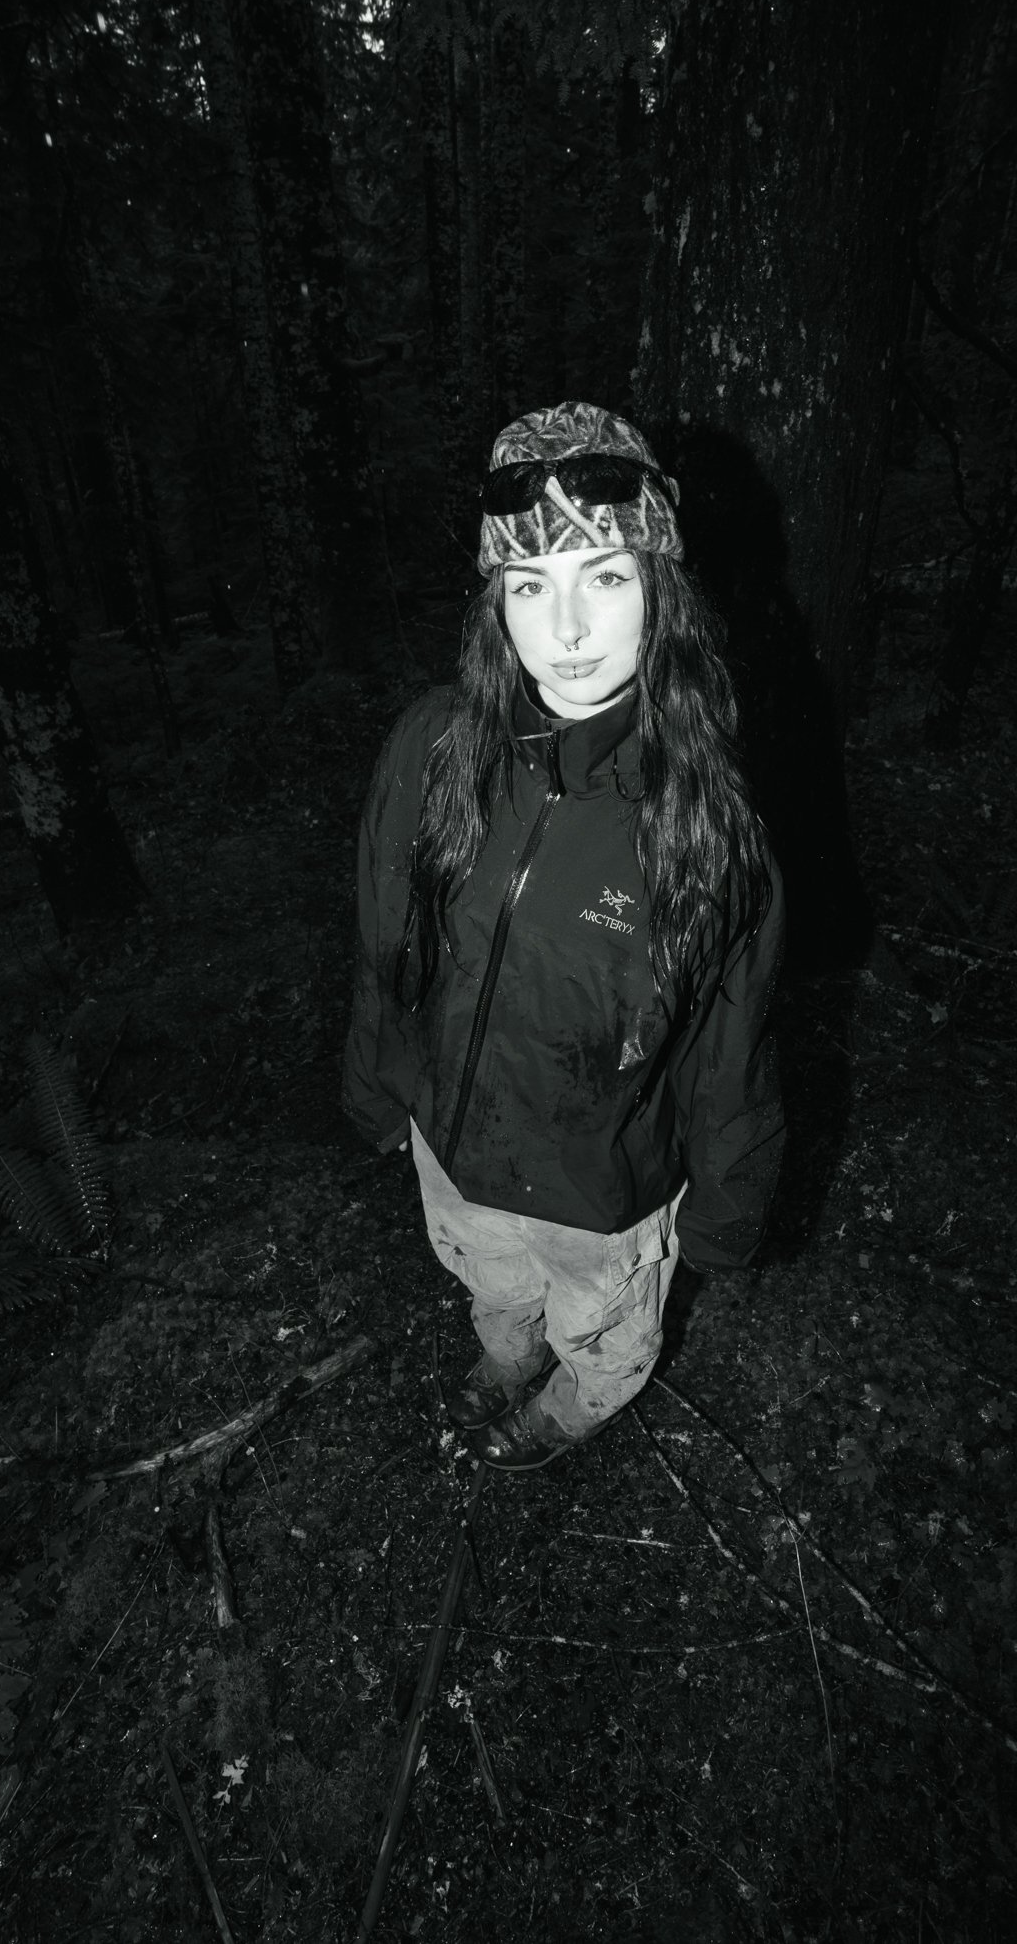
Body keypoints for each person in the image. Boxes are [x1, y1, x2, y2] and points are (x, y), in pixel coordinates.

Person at [343, 401, 785, 1472]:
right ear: (496, 604)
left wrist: (726, 1212)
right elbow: (386, 951)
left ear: (660, 595)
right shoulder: (431, 750)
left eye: (606, 578)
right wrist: (375, 1084)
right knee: (491, 1286)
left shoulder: (706, 826)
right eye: (532, 588)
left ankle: (566, 1411)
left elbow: (732, 1054)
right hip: (452, 1153)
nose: (569, 630)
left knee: (596, 1331)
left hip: (601, 1197)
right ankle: (503, 1358)